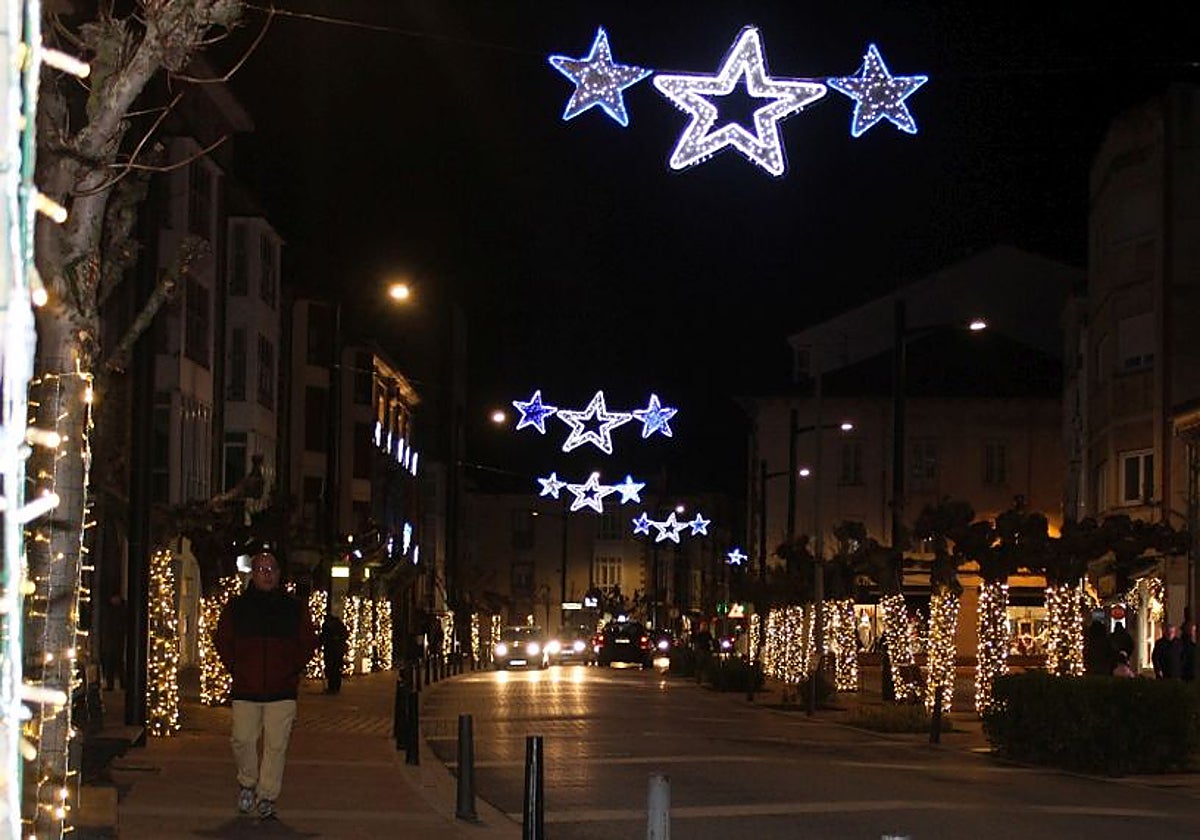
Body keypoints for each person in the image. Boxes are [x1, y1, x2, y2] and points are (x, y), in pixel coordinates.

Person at [215, 552, 317, 820]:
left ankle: (267, 794)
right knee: (242, 739)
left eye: (271, 568)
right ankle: (248, 782)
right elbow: (222, 640)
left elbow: (307, 642)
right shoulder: (237, 607)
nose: (267, 573)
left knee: (276, 745)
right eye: (261, 569)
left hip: (281, 691)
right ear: (253, 573)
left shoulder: (293, 608)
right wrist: (237, 668)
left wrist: (290, 668)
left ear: (279, 573)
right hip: (246, 689)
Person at [100, 593, 127, 691]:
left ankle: (122, 683)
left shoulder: (119, 610)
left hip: (117, 639)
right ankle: (112, 684)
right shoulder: (109, 610)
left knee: (118, 662)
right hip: (111, 639)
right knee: (110, 663)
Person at [320, 612, 349, 694]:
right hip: (333, 650)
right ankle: (334, 687)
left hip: (333, 650)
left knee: (333, 669)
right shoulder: (333, 625)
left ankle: (334, 687)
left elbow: (324, 636)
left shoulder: (333, 626)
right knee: (333, 669)